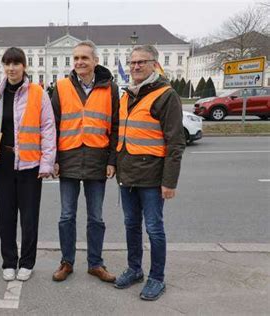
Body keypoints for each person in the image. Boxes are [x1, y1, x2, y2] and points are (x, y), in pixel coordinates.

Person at [113, 45, 186, 301]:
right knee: (131, 225)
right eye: (132, 62)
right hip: (127, 175)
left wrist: (169, 182)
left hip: (153, 178)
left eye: (141, 62)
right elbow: (118, 134)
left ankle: (157, 278)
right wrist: (114, 164)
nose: (135, 67)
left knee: (154, 228)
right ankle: (134, 269)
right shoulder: (127, 94)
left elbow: (176, 143)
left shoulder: (166, 95)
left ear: (154, 64)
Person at [51, 40, 119, 283]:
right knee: (66, 216)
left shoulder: (110, 88)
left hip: (97, 161)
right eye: (76, 58)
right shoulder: (60, 87)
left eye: (85, 58)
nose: (79, 62)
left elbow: (115, 126)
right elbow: (53, 125)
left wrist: (112, 160)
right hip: (68, 159)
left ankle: (95, 263)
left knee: (96, 218)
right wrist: (54, 159)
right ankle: (66, 262)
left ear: (95, 61)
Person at [0, 47, 56, 282]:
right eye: (7, 64)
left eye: (16, 63)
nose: (11, 68)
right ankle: (8, 261)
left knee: (28, 217)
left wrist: (47, 162)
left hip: (29, 164)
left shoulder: (38, 93)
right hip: (3, 162)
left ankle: (26, 262)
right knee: (5, 215)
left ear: (24, 66)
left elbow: (47, 128)